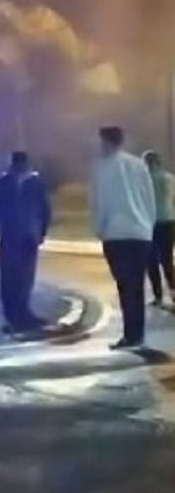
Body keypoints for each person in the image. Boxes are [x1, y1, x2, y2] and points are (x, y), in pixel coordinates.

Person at [90, 126, 156, 349]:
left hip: (116, 234)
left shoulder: (103, 167)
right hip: (141, 232)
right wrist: (149, 224)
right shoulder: (139, 165)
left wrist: (99, 228)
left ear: (105, 141)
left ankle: (130, 335)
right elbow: (149, 197)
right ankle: (138, 334)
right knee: (137, 286)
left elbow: (100, 201)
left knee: (125, 286)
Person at [0, 151, 51, 333]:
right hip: (17, 234)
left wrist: (42, 231)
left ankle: (22, 313)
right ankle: (14, 315)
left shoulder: (28, 182)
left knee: (22, 277)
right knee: (13, 277)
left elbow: (44, 208)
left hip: (24, 236)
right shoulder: (9, 182)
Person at [143, 150, 175, 306]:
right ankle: (173, 291)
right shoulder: (170, 178)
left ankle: (158, 296)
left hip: (151, 223)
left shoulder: (144, 181)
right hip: (169, 222)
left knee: (151, 261)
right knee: (167, 259)